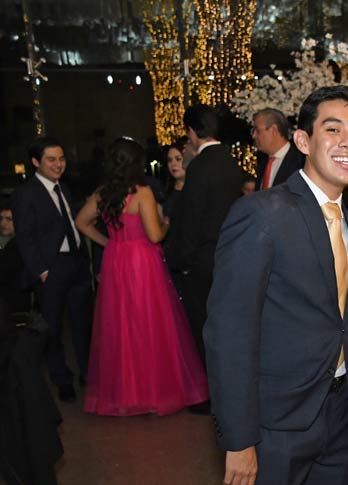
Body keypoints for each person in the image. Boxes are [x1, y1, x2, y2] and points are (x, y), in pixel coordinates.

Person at [204, 86, 348, 485]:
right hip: (276, 424)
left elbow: (345, 318)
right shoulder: (261, 214)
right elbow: (229, 333)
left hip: (338, 417)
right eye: (333, 129)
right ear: (302, 140)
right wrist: (239, 439)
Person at [74, 138, 208, 416]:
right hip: (142, 262)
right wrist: (167, 222)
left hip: (116, 260)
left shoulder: (102, 193)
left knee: (120, 326)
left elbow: (80, 222)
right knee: (150, 324)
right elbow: (155, 235)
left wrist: (109, 243)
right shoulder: (142, 192)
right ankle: (153, 392)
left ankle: (126, 394)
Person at [11, 137, 92, 401]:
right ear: (36, 162)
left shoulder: (64, 188)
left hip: (77, 265)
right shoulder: (25, 193)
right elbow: (25, 237)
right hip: (52, 269)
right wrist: (42, 270)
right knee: (53, 329)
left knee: (83, 324)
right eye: (51, 160)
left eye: (62, 159)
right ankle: (62, 380)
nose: (58, 164)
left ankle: (88, 374)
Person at [165, 104, 243, 365]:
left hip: (203, 259)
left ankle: (212, 383)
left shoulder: (199, 166)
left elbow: (192, 219)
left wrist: (184, 262)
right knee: (227, 324)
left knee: (203, 326)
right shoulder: (231, 161)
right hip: (229, 254)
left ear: (191, 131)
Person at [252, 107, 305, 190]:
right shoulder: (262, 164)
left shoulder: (301, 161)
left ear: (273, 130)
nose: (254, 136)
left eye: (258, 131)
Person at [0, 202, 30, 315]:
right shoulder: (20, 242)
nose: (3, 223)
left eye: (9, 219)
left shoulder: (17, 245)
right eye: (1, 218)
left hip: (12, 307)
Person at [162, 139, 187, 218]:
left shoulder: (197, 188)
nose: (173, 164)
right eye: (169, 160)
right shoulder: (164, 188)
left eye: (178, 159)